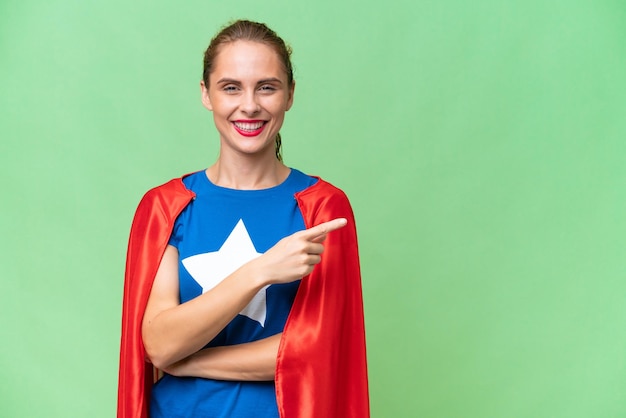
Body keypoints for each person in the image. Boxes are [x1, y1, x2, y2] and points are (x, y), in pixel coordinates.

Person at [117, 20, 369, 418]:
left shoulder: (322, 207)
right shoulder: (168, 206)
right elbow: (160, 345)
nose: (249, 105)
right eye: (231, 87)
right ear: (206, 94)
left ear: (289, 95)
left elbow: (316, 350)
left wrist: (191, 362)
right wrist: (261, 270)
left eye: (266, 87)